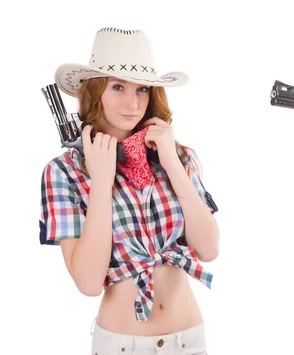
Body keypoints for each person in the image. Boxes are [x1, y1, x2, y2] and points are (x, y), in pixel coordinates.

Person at [39, 27, 219, 354]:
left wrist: (172, 163)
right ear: (95, 92)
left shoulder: (176, 155)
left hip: (188, 340)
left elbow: (208, 249)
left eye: (143, 89)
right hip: (122, 346)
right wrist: (102, 182)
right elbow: (88, 283)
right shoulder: (64, 171)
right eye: (118, 87)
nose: (132, 103)